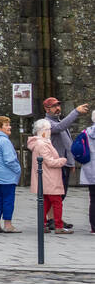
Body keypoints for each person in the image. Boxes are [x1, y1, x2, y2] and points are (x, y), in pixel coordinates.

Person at [40, 97, 90, 230]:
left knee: (61, 194)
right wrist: (76, 112)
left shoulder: (59, 121)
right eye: (54, 106)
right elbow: (60, 128)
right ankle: (52, 220)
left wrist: (71, 162)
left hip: (64, 163)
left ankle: (53, 218)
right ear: (47, 109)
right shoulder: (47, 123)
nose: (58, 108)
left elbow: (68, 144)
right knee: (55, 194)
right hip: (56, 163)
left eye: (58, 105)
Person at [28, 118, 71, 234]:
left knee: (46, 202)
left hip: (46, 177)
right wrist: (62, 160)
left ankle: (43, 224)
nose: (50, 131)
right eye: (48, 129)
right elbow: (50, 162)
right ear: (42, 131)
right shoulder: (42, 144)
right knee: (56, 202)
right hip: (49, 178)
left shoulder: (41, 143)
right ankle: (58, 226)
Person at [0, 115, 21, 234]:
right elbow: (9, 160)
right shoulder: (4, 141)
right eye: (6, 125)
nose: (9, 127)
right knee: (8, 200)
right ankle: (8, 224)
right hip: (7, 176)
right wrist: (18, 169)